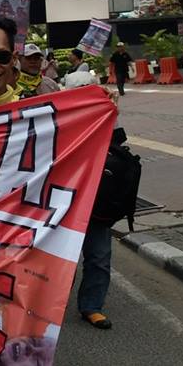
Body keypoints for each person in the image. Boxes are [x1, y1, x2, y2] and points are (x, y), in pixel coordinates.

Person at [64, 70, 121, 329]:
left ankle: (91, 306)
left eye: (91, 88)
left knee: (99, 255)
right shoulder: (58, 116)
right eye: (81, 90)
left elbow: (117, 145)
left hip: (97, 198)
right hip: (63, 199)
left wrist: (111, 109)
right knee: (57, 256)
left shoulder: (106, 110)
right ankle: (47, 305)